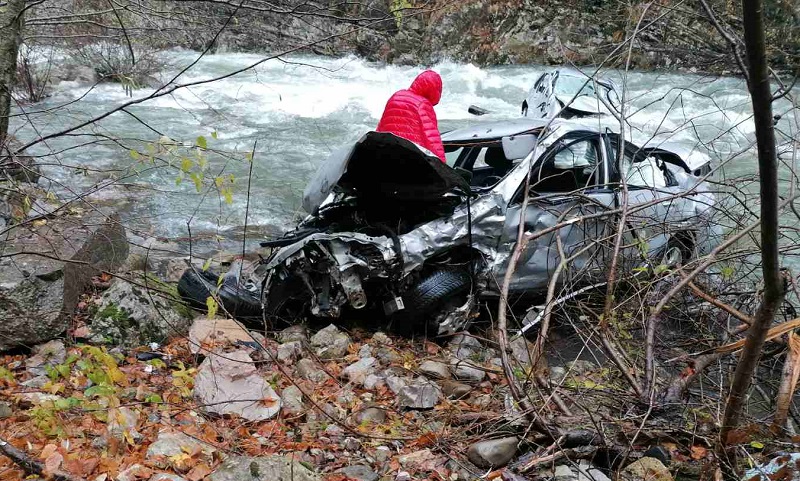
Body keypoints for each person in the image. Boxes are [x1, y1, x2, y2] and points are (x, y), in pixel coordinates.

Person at [376, 70, 446, 162]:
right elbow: (431, 138)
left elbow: (380, 128)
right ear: (434, 89)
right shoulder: (423, 104)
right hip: (412, 159)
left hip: (388, 155)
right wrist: (442, 164)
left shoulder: (396, 96)